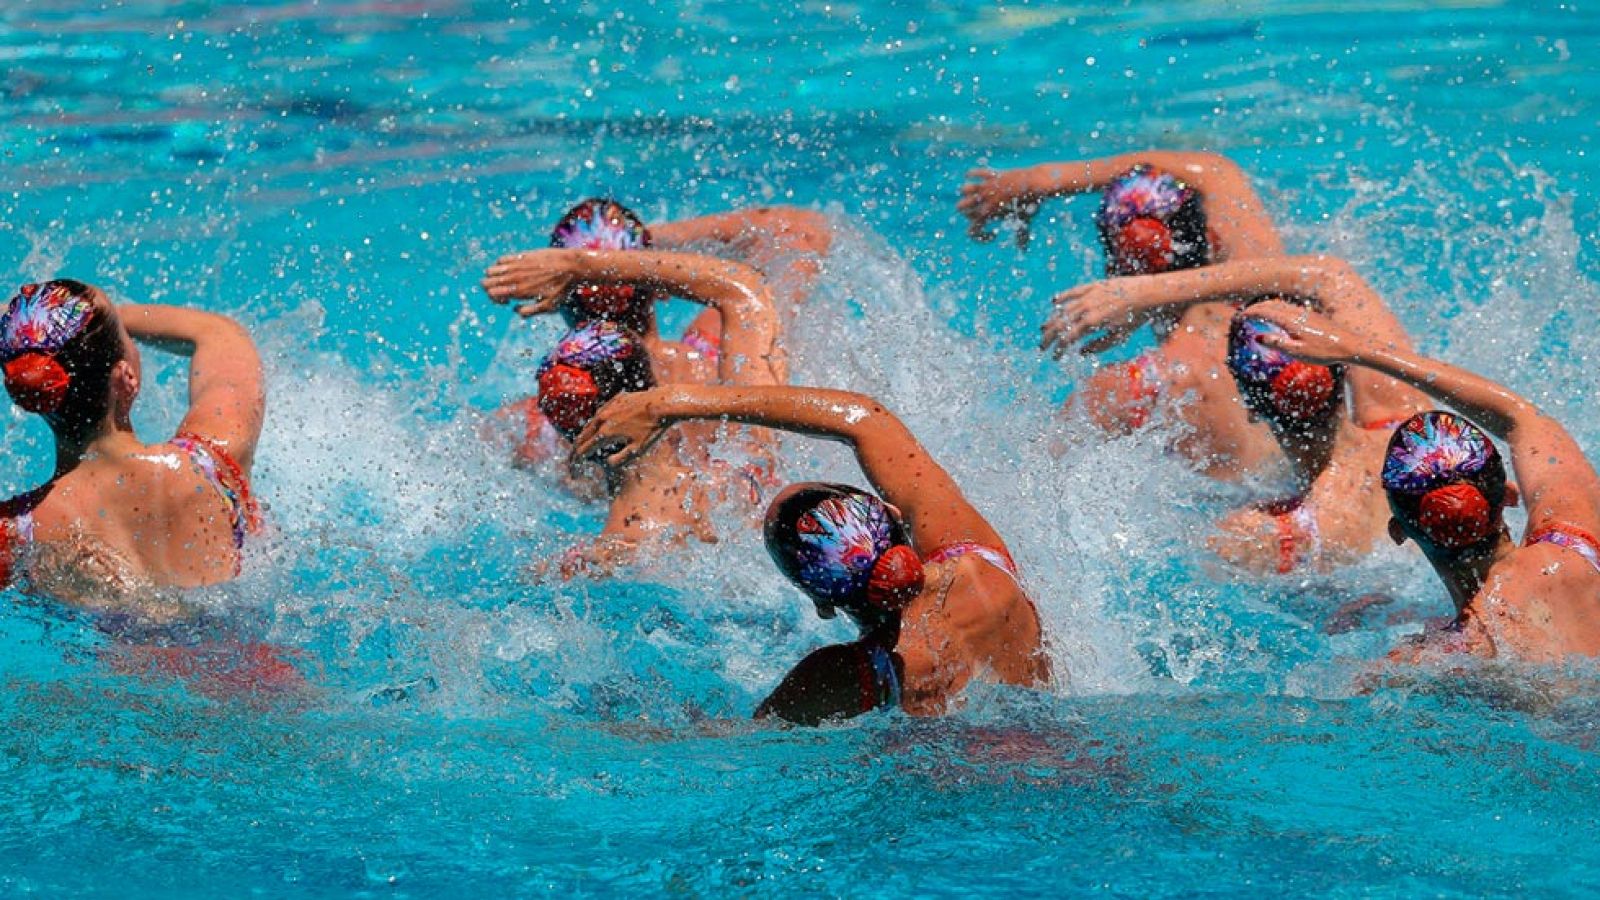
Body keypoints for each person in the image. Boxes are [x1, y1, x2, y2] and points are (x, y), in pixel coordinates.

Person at [571, 383, 1051, 723]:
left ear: (820, 605)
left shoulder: (846, 676)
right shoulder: (974, 562)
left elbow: (743, 744)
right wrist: (672, 403)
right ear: (890, 512)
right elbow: (866, 419)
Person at [1246, 300, 1600, 661]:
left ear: (1398, 533)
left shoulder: (1436, 661)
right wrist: (1356, 350)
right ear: (1508, 495)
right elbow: (1519, 416)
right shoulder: (1578, 543)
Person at [1046, 255, 1431, 574]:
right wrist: (1145, 294)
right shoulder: (1406, 420)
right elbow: (1330, 275)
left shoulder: (1262, 535)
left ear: (1250, 406)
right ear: (1342, 366)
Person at [0, 279, 294, 693]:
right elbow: (217, 332)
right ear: (125, 379)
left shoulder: (15, 534)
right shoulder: (213, 463)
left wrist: (28, 336)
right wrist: (92, 321)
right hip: (266, 686)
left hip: (134, 704)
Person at [960, 151, 1285, 479]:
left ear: (1113, 270)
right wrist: (1037, 180)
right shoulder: (1271, 318)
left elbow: (1031, 478)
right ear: (1211, 241)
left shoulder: (1131, 389)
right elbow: (1215, 170)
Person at [482, 199, 788, 468]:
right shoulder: (724, 371)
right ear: (662, 289)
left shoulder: (538, 421)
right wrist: (643, 247)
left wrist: (584, 262)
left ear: (554, 299)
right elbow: (795, 235)